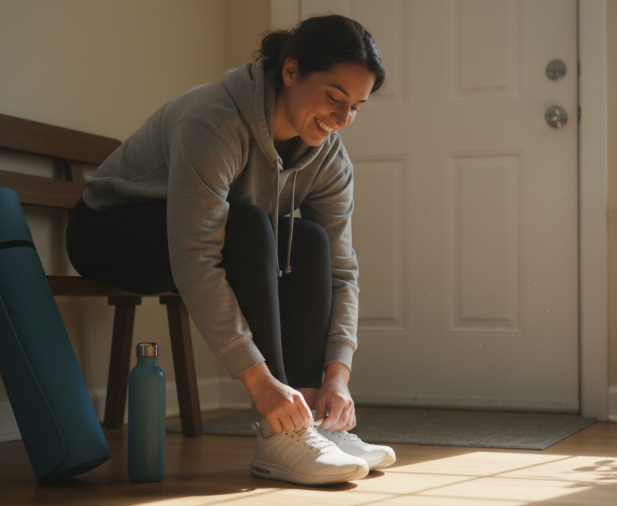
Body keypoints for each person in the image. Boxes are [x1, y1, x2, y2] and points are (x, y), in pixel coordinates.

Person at [65, 14, 395, 486]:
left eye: (356, 107)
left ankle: (311, 421)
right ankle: (279, 432)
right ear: (290, 71)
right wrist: (261, 385)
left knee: (308, 239)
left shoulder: (329, 157)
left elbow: (342, 268)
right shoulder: (214, 119)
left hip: (218, 232)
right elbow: (195, 254)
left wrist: (336, 375)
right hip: (107, 232)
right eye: (333, 97)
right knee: (245, 224)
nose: (342, 120)